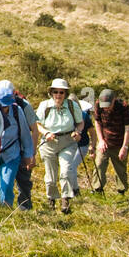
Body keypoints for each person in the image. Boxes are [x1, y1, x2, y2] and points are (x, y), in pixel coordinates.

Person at [35, 77, 84, 214]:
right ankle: (51, 200)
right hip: (49, 143)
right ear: (51, 92)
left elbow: (80, 122)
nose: (58, 95)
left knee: (66, 171)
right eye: (55, 92)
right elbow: (37, 124)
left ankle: (65, 200)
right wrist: (46, 133)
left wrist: (78, 132)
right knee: (50, 176)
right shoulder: (44, 106)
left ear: (66, 94)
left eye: (61, 92)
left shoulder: (72, 105)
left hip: (68, 141)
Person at [0, 80, 35, 207]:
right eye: (0, 105)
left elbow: (26, 135)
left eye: (5, 105)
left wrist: (29, 155)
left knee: (7, 185)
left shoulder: (18, 111)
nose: (3, 108)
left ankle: (5, 211)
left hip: (12, 154)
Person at [91, 88, 129, 194]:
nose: (106, 108)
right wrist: (101, 140)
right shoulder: (98, 104)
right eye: (104, 106)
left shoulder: (123, 107)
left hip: (119, 143)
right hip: (105, 141)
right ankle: (97, 189)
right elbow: (97, 122)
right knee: (99, 164)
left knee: (120, 169)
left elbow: (128, 128)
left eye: (108, 105)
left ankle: (121, 191)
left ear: (114, 100)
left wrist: (124, 147)